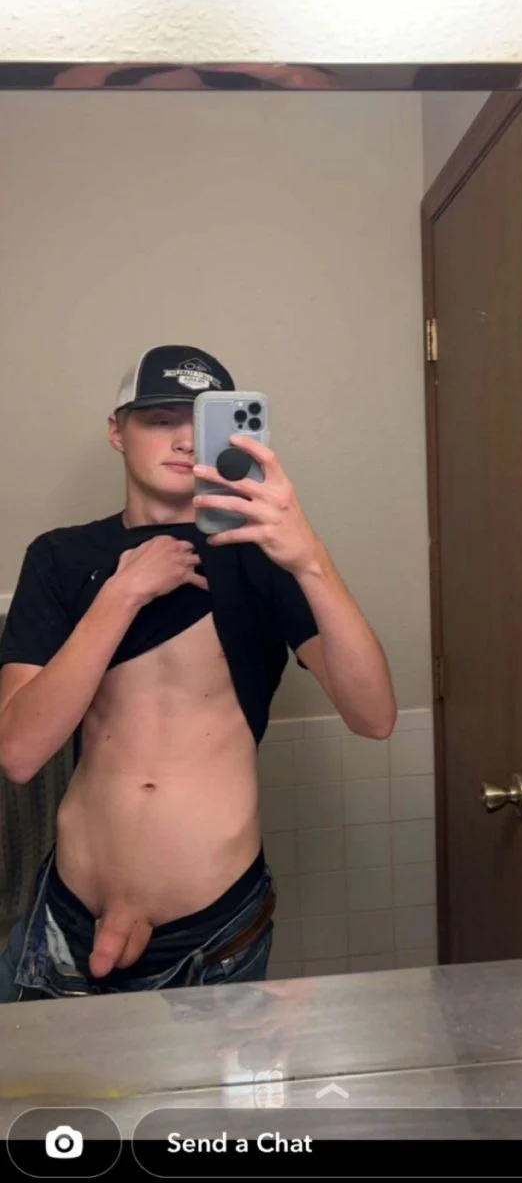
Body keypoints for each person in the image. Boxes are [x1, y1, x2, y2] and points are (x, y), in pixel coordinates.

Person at [0, 345, 396, 1002]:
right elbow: (18, 753)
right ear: (116, 430)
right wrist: (122, 595)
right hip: (64, 919)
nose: (185, 440)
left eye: (205, 423)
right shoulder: (60, 558)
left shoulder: (263, 555)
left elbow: (374, 717)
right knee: (33, 1075)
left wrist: (311, 560)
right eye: (160, 419)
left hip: (213, 936)